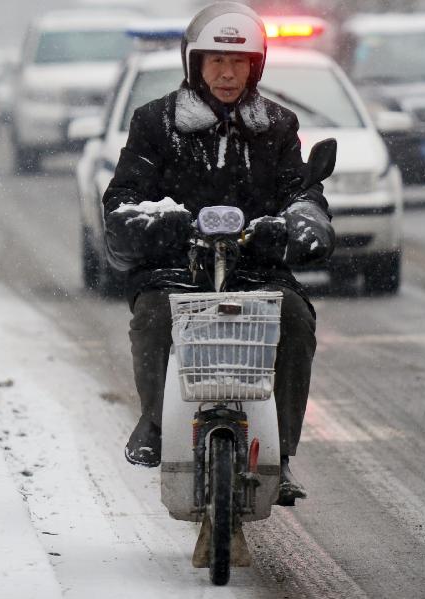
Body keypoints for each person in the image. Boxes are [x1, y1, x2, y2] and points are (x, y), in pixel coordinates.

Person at [103, 1, 335, 504]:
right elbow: (122, 196)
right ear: (195, 65)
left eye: (239, 63)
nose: (227, 73)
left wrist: (301, 221)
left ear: (256, 67)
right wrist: (152, 221)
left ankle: (284, 454)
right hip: (176, 266)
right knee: (152, 314)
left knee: (294, 316)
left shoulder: (277, 125)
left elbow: (303, 192)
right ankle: (155, 422)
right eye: (216, 62)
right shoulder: (153, 123)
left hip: (255, 268)